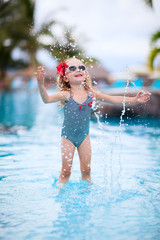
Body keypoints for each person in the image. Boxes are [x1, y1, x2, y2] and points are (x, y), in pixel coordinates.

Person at [34, 57, 150, 186]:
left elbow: (111, 99)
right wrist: (40, 84)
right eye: (72, 68)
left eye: (81, 67)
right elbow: (47, 99)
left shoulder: (91, 94)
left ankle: (87, 193)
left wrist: (134, 99)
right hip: (68, 138)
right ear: (66, 77)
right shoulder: (66, 94)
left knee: (87, 170)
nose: (78, 70)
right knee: (66, 171)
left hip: (84, 137)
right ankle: (59, 192)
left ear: (85, 74)